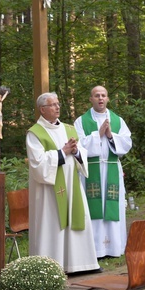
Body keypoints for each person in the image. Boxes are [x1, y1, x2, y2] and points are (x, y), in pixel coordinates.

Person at [26, 92, 100, 274]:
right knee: (52, 222)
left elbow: (81, 152)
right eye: (53, 105)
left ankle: (81, 264)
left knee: (75, 218)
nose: (58, 107)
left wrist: (75, 151)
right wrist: (62, 152)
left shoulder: (69, 129)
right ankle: (51, 265)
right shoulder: (35, 133)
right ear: (42, 109)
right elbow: (38, 163)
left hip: (72, 184)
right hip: (49, 190)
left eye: (58, 104)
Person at [74, 86, 132, 258]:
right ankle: (95, 249)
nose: (100, 98)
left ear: (107, 99)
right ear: (91, 99)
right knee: (94, 208)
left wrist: (110, 135)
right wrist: (97, 134)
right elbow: (78, 146)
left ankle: (115, 247)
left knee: (113, 207)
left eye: (103, 95)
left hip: (112, 167)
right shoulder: (80, 121)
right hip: (91, 170)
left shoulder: (118, 120)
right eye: (96, 95)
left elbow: (127, 143)